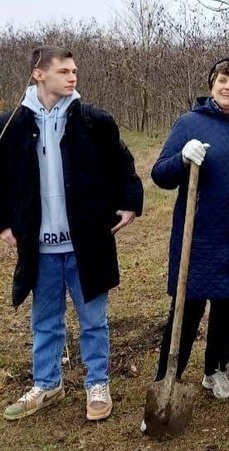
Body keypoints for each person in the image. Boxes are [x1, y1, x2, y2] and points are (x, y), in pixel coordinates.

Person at [0, 45, 143, 421]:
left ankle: (97, 383)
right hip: (39, 245)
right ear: (39, 74)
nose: (72, 76)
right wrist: (4, 223)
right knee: (44, 320)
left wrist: (130, 202)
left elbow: (122, 165)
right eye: (63, 71)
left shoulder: (93, 120)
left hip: (86, 241)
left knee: (93, 319)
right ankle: (47, 383)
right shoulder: (11, 124)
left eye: (74, 70)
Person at [150, 58, 229, 403]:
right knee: (187, 308)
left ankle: (215, 370)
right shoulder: (189, 123)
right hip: (198, 236)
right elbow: (160, 175)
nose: (228, 86)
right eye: (222, 80)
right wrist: (182, 159)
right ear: (212, 85)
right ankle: (168, 377)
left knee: (227, 306)